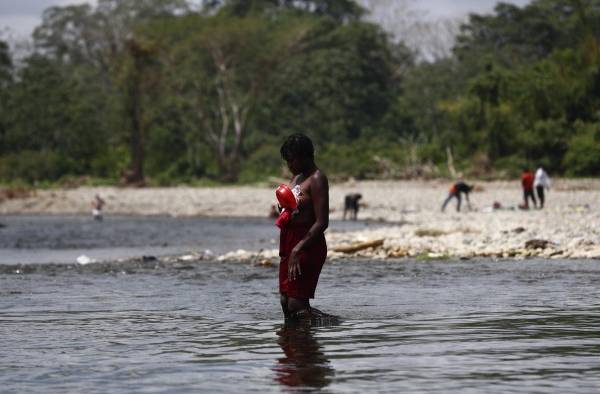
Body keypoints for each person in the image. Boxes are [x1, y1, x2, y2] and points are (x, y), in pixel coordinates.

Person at [278, 133, 329, 320]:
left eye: (291, 160)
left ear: (304, 157)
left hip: (307, 244)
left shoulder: (317, 179)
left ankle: (335, 326)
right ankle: (293, 346)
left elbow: (322, 222)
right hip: (288, 241)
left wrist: (298, 249)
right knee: (285, 301)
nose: (289, 165)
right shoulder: (297, 177)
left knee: (297, 305)